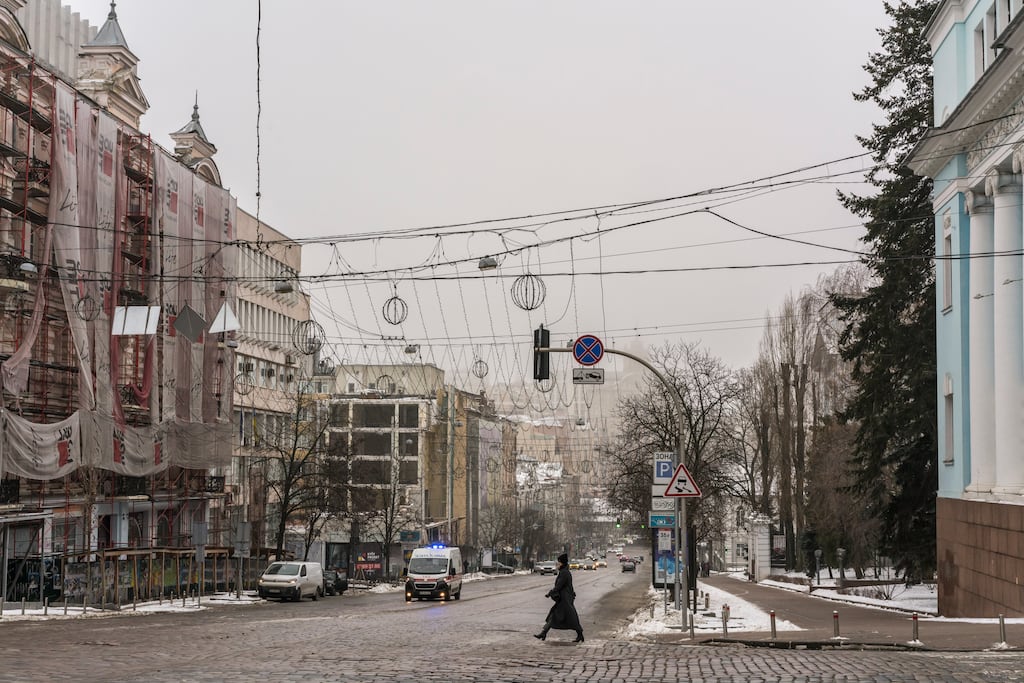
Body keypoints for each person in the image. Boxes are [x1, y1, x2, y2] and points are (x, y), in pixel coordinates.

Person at [534, 553, 584, 643]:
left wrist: (550, 593)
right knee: (555, 616)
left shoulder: (564, 573)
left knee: (570, 617)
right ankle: (543, 633)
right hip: (564, 598)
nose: (557, 564)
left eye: (558, 562)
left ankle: (580, 634)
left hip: (565, 599)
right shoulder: (564, 571)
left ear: (562, 563)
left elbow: (559, 586)